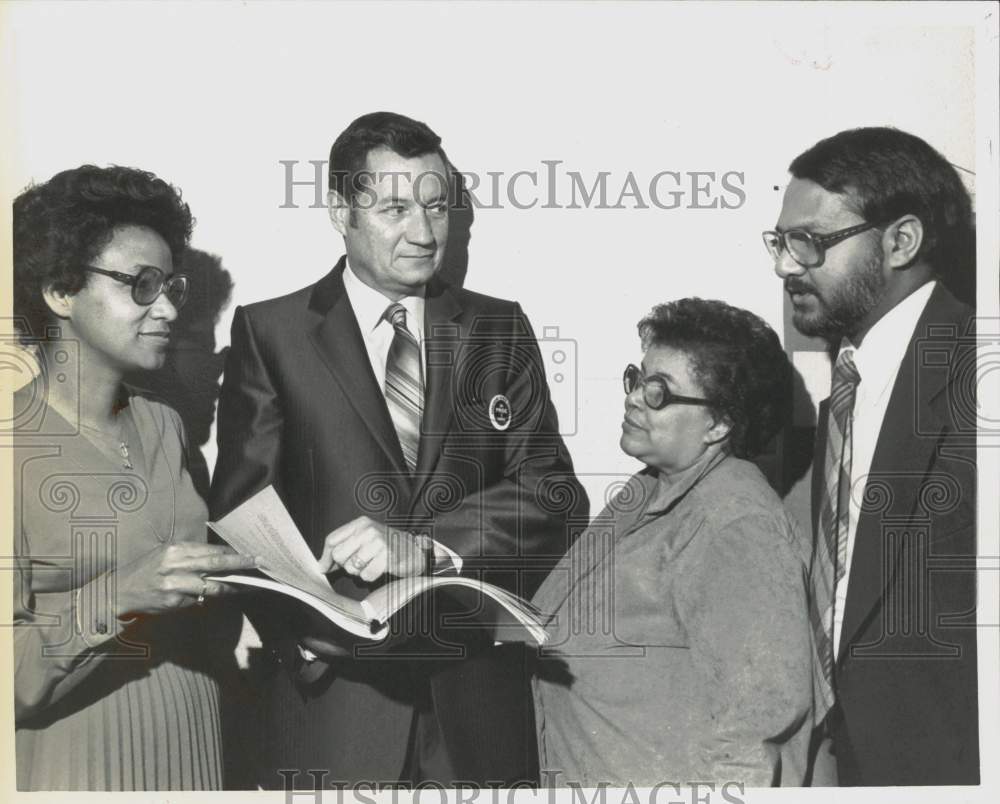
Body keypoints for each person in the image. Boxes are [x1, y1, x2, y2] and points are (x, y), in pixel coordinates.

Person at [210, 111, 587, 788]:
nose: (423, 231)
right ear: (339, 210)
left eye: (437, 206)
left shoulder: (498, 328)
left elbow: (554, 493)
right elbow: (243, 512)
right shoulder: (271, 333)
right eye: (393, 208)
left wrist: (427, 546)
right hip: (333, 705)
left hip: (476, 705)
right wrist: (302, 642)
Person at [11, 165, 258, 790]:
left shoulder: (165, 427)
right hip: (79, 758)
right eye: (141, 285)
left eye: (171, 285)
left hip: (199, 738)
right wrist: (120, 595)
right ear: (60, 293)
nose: (170, 308)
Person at [765, 126, 978, 785]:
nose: (784, 266)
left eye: (811, 243)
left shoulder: (980, 377)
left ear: (901, 241)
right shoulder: (846, 398)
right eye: (780, 242)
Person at [532, 298, 815, 787]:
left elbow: (753, 734)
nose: (636, 397)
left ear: (720, 424)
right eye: (639, 379)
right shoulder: (645, 490)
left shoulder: (735, 523)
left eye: (660, 392)